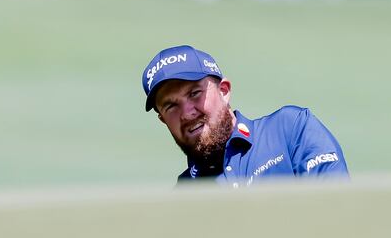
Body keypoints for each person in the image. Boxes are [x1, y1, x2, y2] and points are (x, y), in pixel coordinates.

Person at [142, 45, 349, 185]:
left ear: (224, 91)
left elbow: (338, 208)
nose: (187, 113)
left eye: (195, 94)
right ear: (162, 119)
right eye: (171, 106)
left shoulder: (290, 129)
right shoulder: (185, 194)